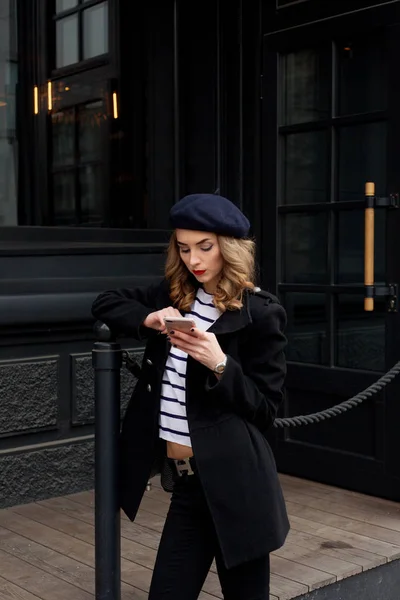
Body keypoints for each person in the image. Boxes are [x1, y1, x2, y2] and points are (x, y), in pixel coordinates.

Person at [92, 193, 289, 600]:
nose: (194, 259)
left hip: (237, 486)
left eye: (205, 247)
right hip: (187, 488)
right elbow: (105, 302)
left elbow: (267, 409)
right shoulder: (173, 295)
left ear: (229, 247)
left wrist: (220, 364)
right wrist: (148, 319)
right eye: (183, 248)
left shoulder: (260, 313)